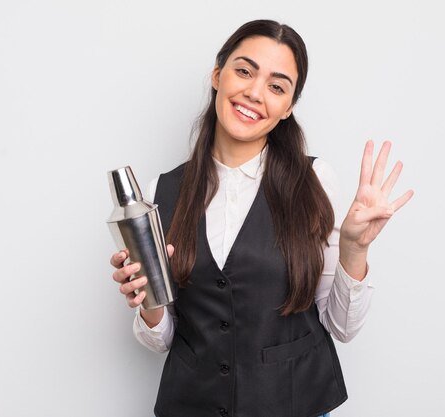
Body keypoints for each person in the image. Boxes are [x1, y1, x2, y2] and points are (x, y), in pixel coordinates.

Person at [110, 19, 413, 417]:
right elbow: (160, 339)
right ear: (218, 75)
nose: (254, 93)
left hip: (292, 402)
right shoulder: (158, 193)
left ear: (287, 107)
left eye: (276, 86)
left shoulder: (315, 182)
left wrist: (356, 249)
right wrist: (147, 301)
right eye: (244, 71)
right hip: (190, 404)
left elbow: (342, 327)